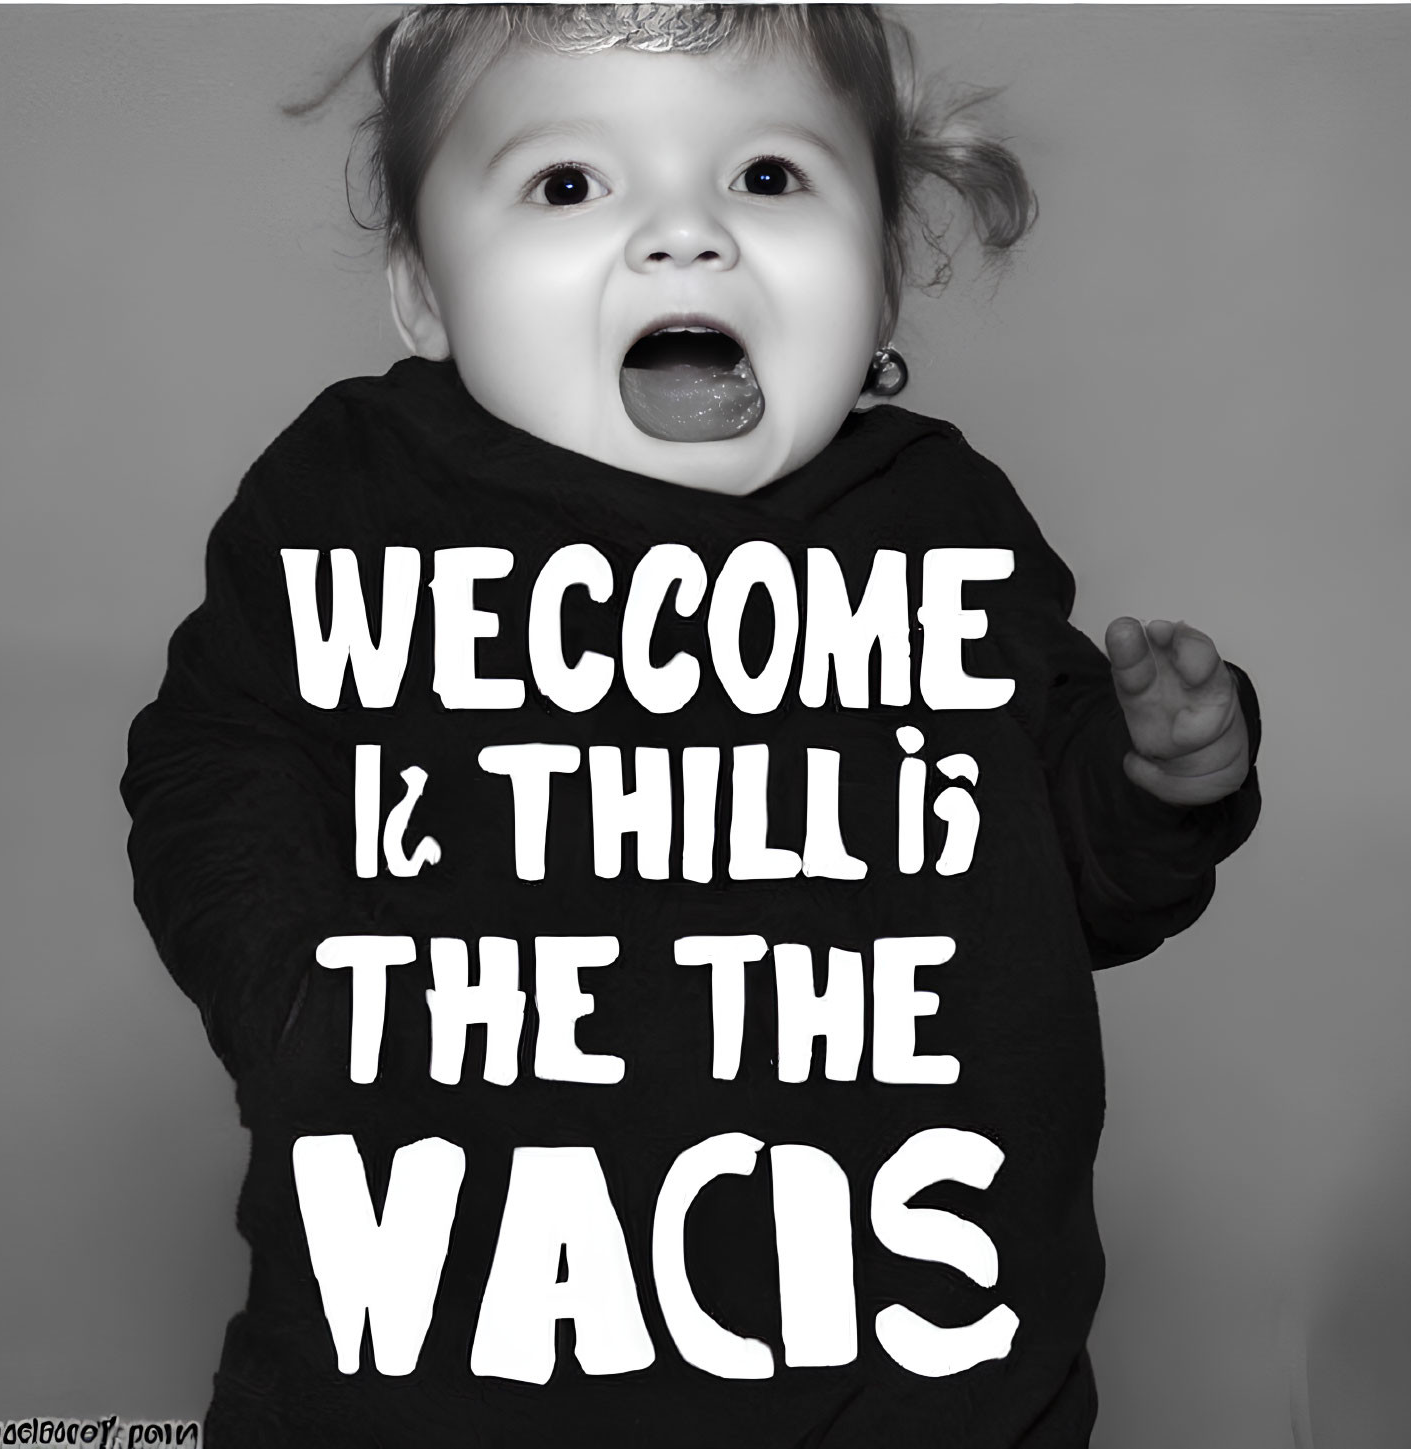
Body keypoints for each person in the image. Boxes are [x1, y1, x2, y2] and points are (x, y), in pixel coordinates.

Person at [119, 6, 1262, 1446]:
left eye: (767, 179)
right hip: (436, 1361)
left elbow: (1062, 863)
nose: (684, 238)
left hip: (906, 1368)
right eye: (567, 184)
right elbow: (215, 758)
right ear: (424, 293)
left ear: (886, 273)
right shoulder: (354, 497)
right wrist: (282, 990)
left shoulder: (932, 522)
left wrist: (1151, 780)